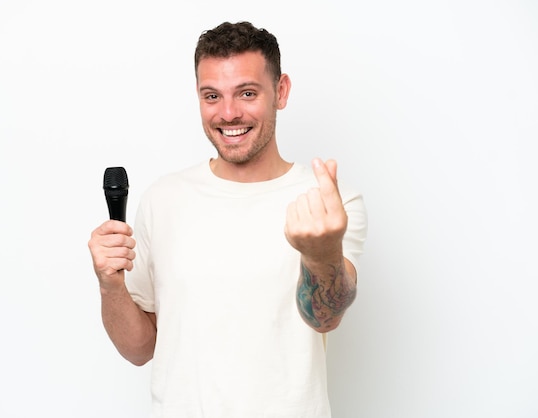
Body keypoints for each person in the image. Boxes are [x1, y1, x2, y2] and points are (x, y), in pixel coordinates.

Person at [88, 21, 367, 418]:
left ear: (281, 91)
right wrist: (110, 284)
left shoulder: (327, 204)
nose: (229, 113)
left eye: (247, 93)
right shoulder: (163, 199)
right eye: (212, 96)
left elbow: (324, 318)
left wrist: (322, 254)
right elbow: (139, 350)